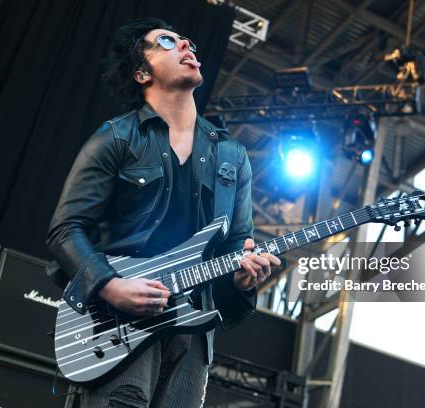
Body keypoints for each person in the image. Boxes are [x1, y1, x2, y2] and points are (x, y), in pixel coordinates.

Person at [45, 18, 281, 407]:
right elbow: (65, 229)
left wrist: (243, 280)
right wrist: (111, 286)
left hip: (192, 331)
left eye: (188, 41)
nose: (186, 45)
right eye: (168, 42)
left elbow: (237, 244)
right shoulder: (117, 137)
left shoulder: (232, 155)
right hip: (120, 324)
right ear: (142, 72)